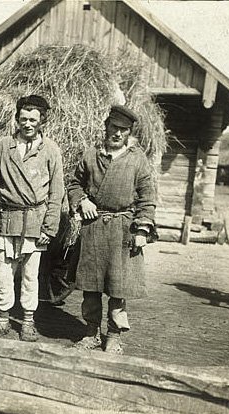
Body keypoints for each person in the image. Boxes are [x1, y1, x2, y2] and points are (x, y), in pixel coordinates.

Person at [66, 105, 156, 354]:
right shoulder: (91, 155)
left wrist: (142, 229)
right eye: (114, 128)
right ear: (106, 127)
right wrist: (82, 200)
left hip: (122, 230)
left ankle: (114, 336)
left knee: (118, 288)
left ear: (129, 133)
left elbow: (147, 197)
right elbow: (75, 183)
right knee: (92, 286)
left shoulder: (137, 159)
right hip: (94, 227)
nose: (117, 134)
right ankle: (91, 332)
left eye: (123, 130)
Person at [0, 94, 64, 342]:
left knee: (31, 275)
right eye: (23, 119)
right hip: (8, 219)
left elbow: (57, 192)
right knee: (4, 273)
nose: (27, 124)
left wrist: (49, 227)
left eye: (33, 119)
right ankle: (3, 320)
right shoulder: (4, 146)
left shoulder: (50, 149)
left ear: (42, 122)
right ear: (16, 120)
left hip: (35, 222)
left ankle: (28, 321)